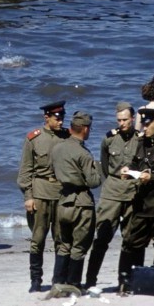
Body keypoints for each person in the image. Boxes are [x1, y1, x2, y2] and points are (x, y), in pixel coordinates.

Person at [118, 108, 154, 294]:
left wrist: (152, 178)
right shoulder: (141, 142)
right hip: (142, 204)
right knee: (132, 243)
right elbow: (137, 163)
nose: (144, 127)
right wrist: (129, 170)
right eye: (143, 123)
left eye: (148, 123)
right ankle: (128, 282)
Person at [85, 102, 140, 289]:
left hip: (133, 191)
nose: (122, 123)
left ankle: (124, 282)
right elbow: (106, 166)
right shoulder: (109, 139)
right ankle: (91, 280)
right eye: (119, 120)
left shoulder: (140, 139)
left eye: (125, 120)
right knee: (102, 237)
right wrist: (114, 181)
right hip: (112, 192)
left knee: (130, 239)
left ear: (133, 119)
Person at [16, 100, 70, 292]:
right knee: (37, 239)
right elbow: (25, 172)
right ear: (46, 117)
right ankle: (36, 281)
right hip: (40, 194)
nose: (61, 121)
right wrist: (28, 197)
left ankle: (59, 279)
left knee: (61, 239)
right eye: (57, 117)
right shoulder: (34, 138)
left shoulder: (68, 137)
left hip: (62, 195)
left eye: (63, 116)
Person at [50, 111, 101, 290]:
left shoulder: (56, 148)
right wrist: (98, 167)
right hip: (81, 202)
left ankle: (58, 282)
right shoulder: (83, 154)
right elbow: (94, 181)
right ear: (85, 129)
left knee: (63, 245)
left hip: (63, 201)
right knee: (79, 246)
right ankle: (73, 284)